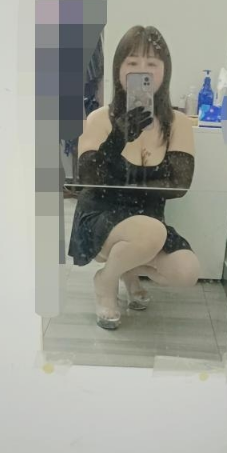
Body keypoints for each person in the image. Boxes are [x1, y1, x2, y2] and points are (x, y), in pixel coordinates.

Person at [68, 25, 201, 329]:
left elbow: (179, 185)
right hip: (101, 216)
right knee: (150, 232)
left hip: (148, 221)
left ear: (165, 71)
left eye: (152, 63)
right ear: (119, 69)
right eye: (133, 62)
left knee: (186, 271)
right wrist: (117, 139)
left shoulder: (178, 123)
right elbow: (90, 179)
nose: (143, 70)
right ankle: (106, 280)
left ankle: (127, 268)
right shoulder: (99, 119)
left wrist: (124, 182)